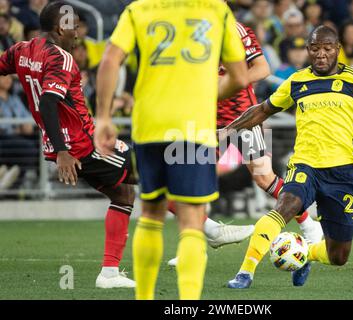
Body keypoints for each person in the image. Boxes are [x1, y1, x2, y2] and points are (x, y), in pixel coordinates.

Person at [220, 25, 353, 289]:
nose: (321, 54)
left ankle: (306, 253)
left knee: (338, 256)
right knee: (283, 207)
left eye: (327, 49)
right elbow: (262, 111)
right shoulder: (296, 81)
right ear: (308, 50)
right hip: (304, 165)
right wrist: (227, 131)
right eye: (315, 49)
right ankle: (245, 273)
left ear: (337, 49)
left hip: (341, 173)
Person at [94, 0, 248, 300]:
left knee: (151, 213)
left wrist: (103, 116)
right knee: (191, 220)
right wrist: (204, 96)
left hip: (149, 124)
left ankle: (146, 297)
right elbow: (241, 77)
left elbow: (111, 59)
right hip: (193, 128)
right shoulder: (216, 9)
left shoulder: (139, 9)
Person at [0, 1, 138, 289]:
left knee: (123, 194)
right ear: (59, 26)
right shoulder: (61, 59)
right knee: (142, 172)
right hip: (81, 143)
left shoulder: (21, 50)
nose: (77, 33)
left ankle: (110, 273)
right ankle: (203, 228)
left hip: (60, 142)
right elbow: (49, 102)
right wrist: (64, 151)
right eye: (73, 25)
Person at [167, 19, 322, 267]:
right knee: (179, 181)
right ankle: (197, 243)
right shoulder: (186, 30)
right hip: (202, 116)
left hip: (241, 116)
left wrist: (222, 85)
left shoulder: (233, 29)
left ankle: (309, 224)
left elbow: (261, 69)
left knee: (264, 178)